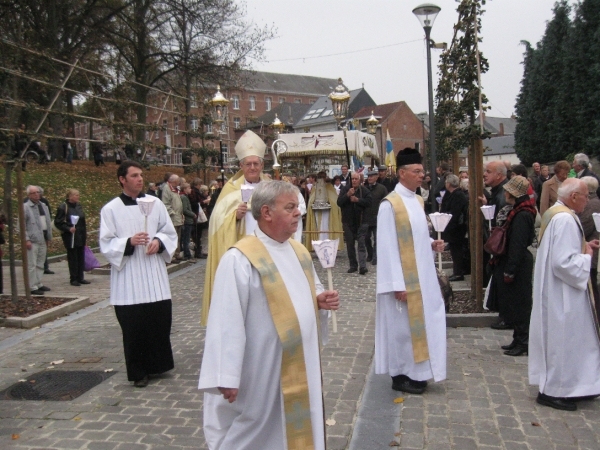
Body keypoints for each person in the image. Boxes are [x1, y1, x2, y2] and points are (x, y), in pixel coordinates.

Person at [198, 181, 339, 449]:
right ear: (266, 213)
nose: (298, 212)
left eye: (297, 206)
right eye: (290, 207)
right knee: (259, 429)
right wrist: (225, 375)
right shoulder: (240, 259)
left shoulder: (299, 251)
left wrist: (319, 300)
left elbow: (310, 290)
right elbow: (225, 321)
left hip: (300, 361)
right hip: (262, 366)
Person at [99, 161, 178, 388]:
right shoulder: (111, 209)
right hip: (129, 278)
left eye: (141, 175)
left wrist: (158, 241)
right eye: (134, 175)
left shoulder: (155, 203)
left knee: (159, 321)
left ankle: (158, 364)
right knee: (134, 327)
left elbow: (168, 231)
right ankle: (139, 371)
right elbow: (106, 242)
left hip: (153, 273)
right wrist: (128, 242)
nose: (140, 179)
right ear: (122, 179)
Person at [375, 148, 446, 394]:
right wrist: (397, 284)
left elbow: (414, 236)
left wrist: (431, 243)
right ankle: (400, 375)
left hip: (423, 275)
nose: (422, 176)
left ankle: (419, 372)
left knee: (421, 324)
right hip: (404, 280)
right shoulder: (389, 205)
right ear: (402, 173)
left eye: (422, 171)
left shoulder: (417, 200)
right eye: (416, 172)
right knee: (402, 329)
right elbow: (386, 246)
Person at [529, 178, 600, 411]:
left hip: (556, 290)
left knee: (570, 341)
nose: (588, 200)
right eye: (585, 195)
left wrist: (585, 246)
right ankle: (554, 391)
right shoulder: (566, 219)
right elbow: (563, 263)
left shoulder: (553, 213)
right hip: (563, 294)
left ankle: (578, 385)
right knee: (563, 341)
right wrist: (586, 257)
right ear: (573, 197)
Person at [201, 130, 268, 326]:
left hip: (267, 250)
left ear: (262, 165)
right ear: (241, 166)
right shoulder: (230, 189)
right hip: (241, 251)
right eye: (248, 164)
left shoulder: (271, 188)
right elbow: (216, 223)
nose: (253, 167)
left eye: (256, 163)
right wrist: (234, 217)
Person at [487, 176, 537, 356]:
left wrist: (510, 270)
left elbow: (518, 244)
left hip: (518, 263)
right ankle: (518, 339)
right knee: (514, 304)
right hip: (513, 261)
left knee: (520, 304)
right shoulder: (518, 210)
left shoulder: (522, 214)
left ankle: (523, 342)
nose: (505, 193)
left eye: (507, 191)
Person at [338, 172, 372, 275]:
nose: (354, 181)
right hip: (348, 222)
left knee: (361, 243)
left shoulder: (364, 190)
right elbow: (339, 202)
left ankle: (362, 266)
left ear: (360, 180)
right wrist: (347, 195)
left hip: (362, 221)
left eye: (356, 179)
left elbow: (369, 202)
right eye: (352, 179)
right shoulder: (345, 189)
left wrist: (358, 200)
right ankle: (353, 265)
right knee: (350, 244)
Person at [54, 189, 90, 286]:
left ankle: (80, 277)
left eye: (78, 195)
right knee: (73, 257)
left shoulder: (78, 206)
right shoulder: (63, 207)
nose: (77, 197)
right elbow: (58, 222)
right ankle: (73, 278)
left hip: (80, 234)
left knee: (80, 256)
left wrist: (84, 236)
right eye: (75, 195)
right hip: (70, 236)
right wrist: (68, 228)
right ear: (69, 196)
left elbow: (82, 222)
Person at [23, 185, 52, 296]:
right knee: (32, 263)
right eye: (34, 193)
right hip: (32, 239)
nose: (36, 194)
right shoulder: (25, 207)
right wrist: (26, 239)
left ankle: (38, 282)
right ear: (29, 195)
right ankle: (32, 286)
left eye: (38, 192)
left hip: (43, 238)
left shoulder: (43, 206)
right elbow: (22, 225)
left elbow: (47, 222)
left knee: (40, 262)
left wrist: (48, 237)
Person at [578, 176, 600, 316]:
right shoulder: (594, 202)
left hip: (592, 250)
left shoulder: (592, 204)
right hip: (591, 248)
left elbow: (584, 227)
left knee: (592, 286)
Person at [305, 171, 344, 252]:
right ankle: (319, 245)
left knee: (327, 227)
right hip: (317, 212)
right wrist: (313, 204)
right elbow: (311, 201)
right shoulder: (315, 188)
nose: (322, 179)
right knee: (318, 229)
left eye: (323, 177)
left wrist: (330, 203)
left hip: (328, 213)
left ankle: (329, 245)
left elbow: (335, 201)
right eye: (320, 177)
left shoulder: (330, 187)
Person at [440, 174, 469, 282]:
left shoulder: (458, 195)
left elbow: (455, 213)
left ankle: (458, 272)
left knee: (457, 251)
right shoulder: (453, 194)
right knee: (455, 251)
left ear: (448, 183)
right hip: (455, 228)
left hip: (457, 229)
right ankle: (457, 271)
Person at [364, 169, 388, 266]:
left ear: (376, 177)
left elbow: (386, 201)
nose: (369, 178)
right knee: (366, 238)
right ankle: (369, 254)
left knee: (377, 239)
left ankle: (375, 257)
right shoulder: (364, 188)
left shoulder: (382, 188)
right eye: (368, 176)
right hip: (366, 217)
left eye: (372, 176)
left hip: (378, 217)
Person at [161, 174, 184, 261]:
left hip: (178, 217)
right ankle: (172, 255)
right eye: (178, 181)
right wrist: (172, 213)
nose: (179, 182)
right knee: (172, 237)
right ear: (174, 181)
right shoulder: (167, 189)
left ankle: (177, 253)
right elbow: (166, 203)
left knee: (178, 237)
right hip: (173, 217)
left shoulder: (175, 189)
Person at [180, 183, 197, 261]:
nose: (190, 189)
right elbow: (185, 209)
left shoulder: (186, 197)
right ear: (185, 189)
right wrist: (193, 214)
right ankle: (187, 255)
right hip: (187, 220)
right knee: (186, 239)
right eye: (189, 188)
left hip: (189, 220)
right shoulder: (183, 197)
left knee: (186, 238)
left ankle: (188, 254)